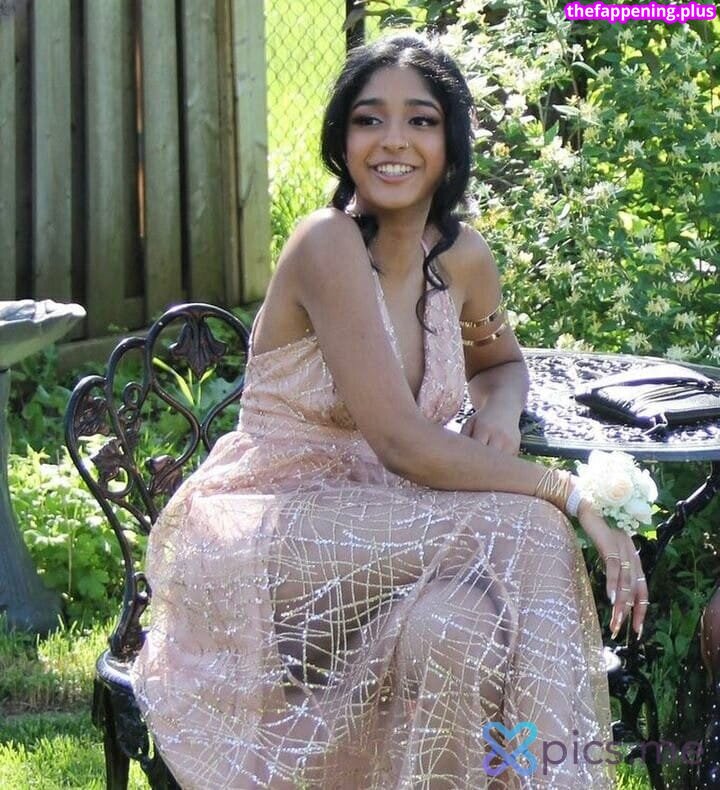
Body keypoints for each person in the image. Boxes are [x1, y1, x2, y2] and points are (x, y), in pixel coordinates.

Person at [131, 32, 647, 789]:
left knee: (455, 632)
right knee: (531, 527)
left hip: (400, 529)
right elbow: (403, 443)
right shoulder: (326, 243)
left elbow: (500, 361)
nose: (393, 140)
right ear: (342, 141)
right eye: (369, 119)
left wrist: (499, 411)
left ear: (451, 141)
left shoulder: (462, 259)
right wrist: (571, 496)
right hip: (274, 534)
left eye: (421, 120)